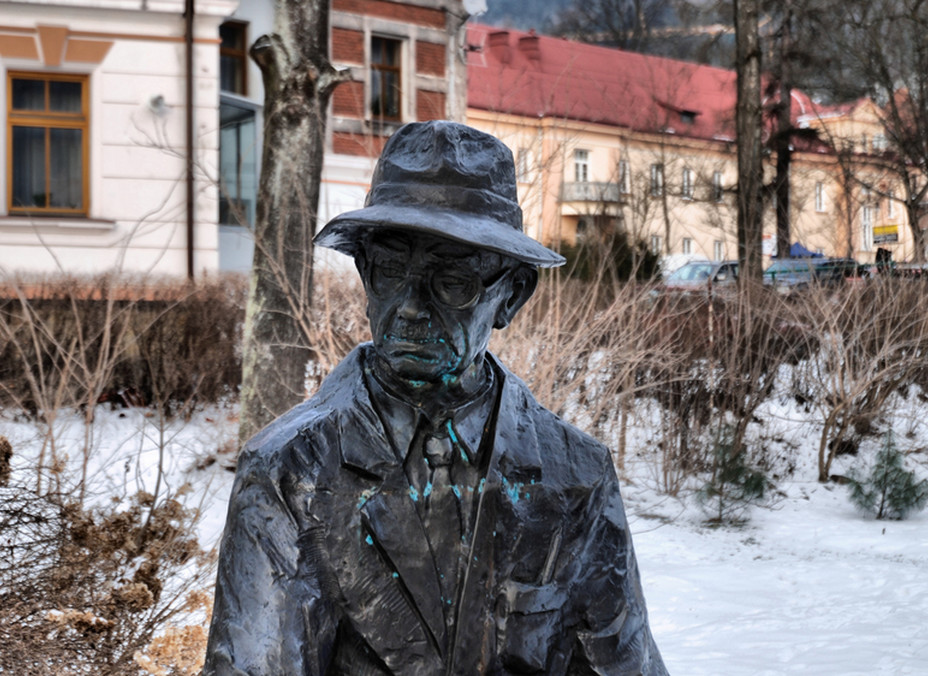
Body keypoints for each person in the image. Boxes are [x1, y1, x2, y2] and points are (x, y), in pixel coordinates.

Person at [203, 121, 667, 675]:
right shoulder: (290, 470)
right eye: (391, 272)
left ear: (511, 295)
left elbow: (623, 664)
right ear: (364, 271)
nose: (411, 308)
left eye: (452, 281)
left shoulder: (576, 475)